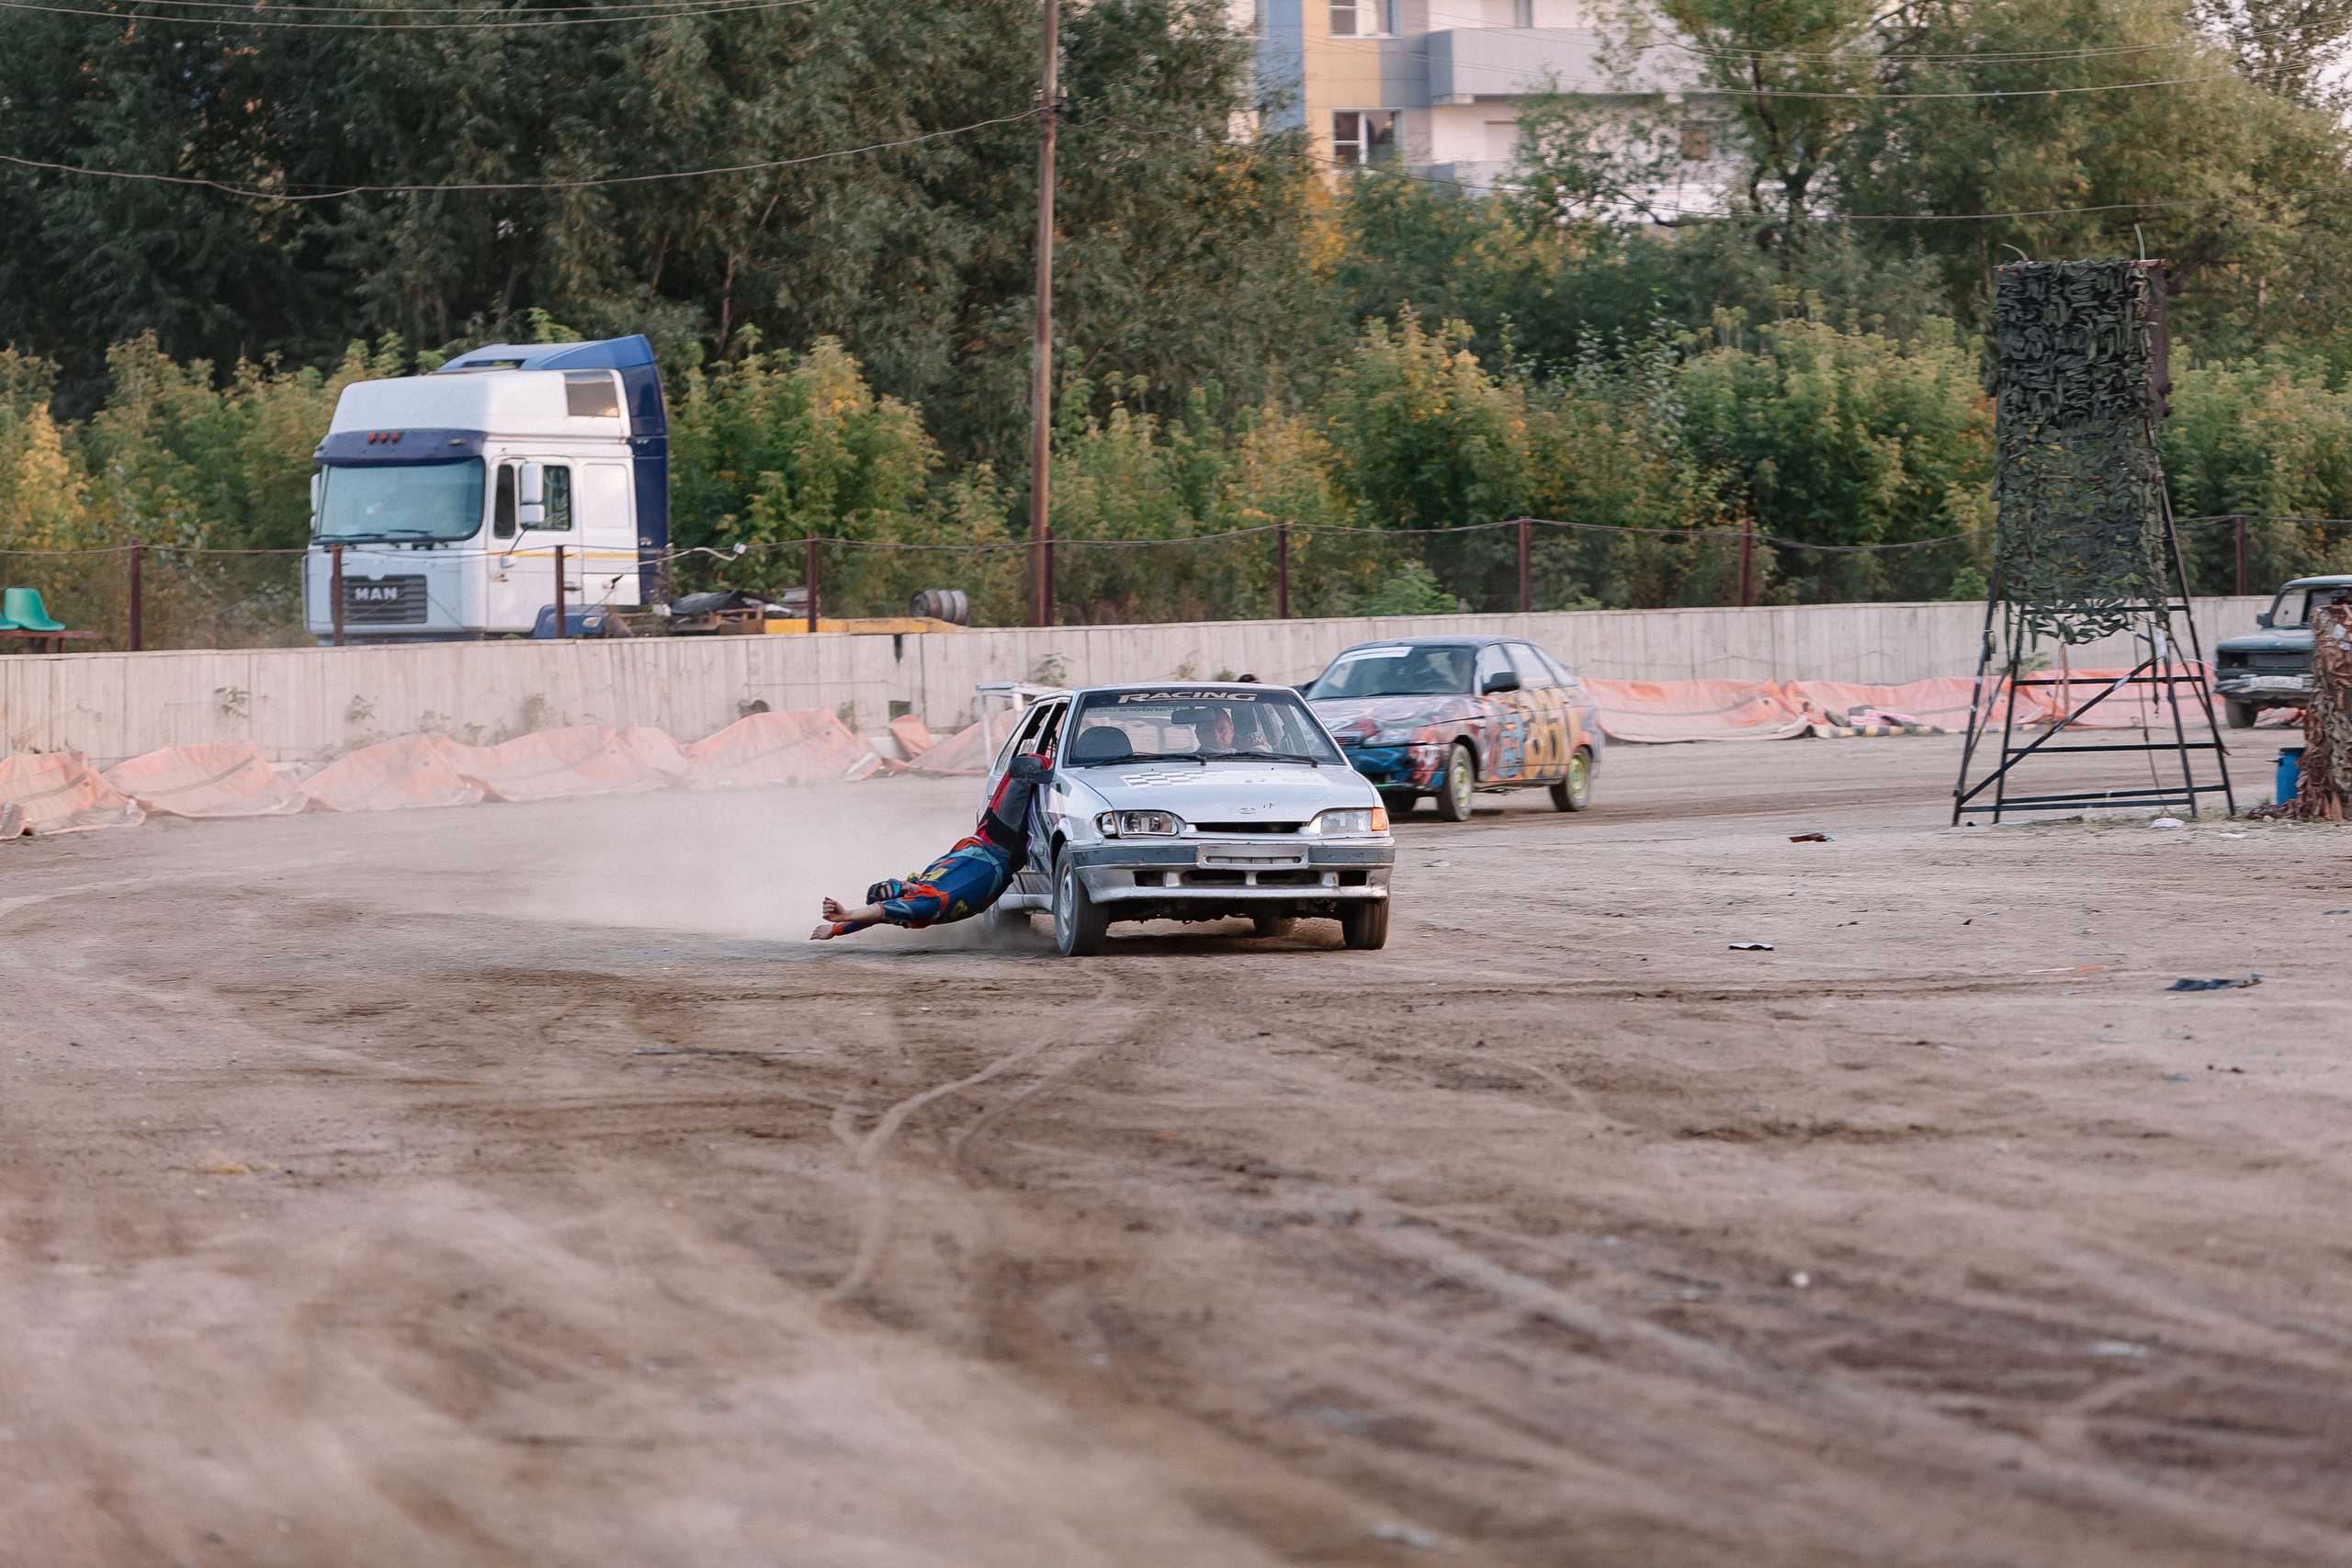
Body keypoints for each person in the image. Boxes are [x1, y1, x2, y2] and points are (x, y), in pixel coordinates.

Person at [810, 753, 1046, 940]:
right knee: (1026, 768)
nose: (904, 887)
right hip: (999, 848)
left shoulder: (919, 888)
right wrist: (847, 914)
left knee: (1016, 766)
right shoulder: (926, 905)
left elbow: (874, 918)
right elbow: (879, 913)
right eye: (899, 894)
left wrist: (836, 930)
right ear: (900, 905)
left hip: (987, 841)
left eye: (895, 883)